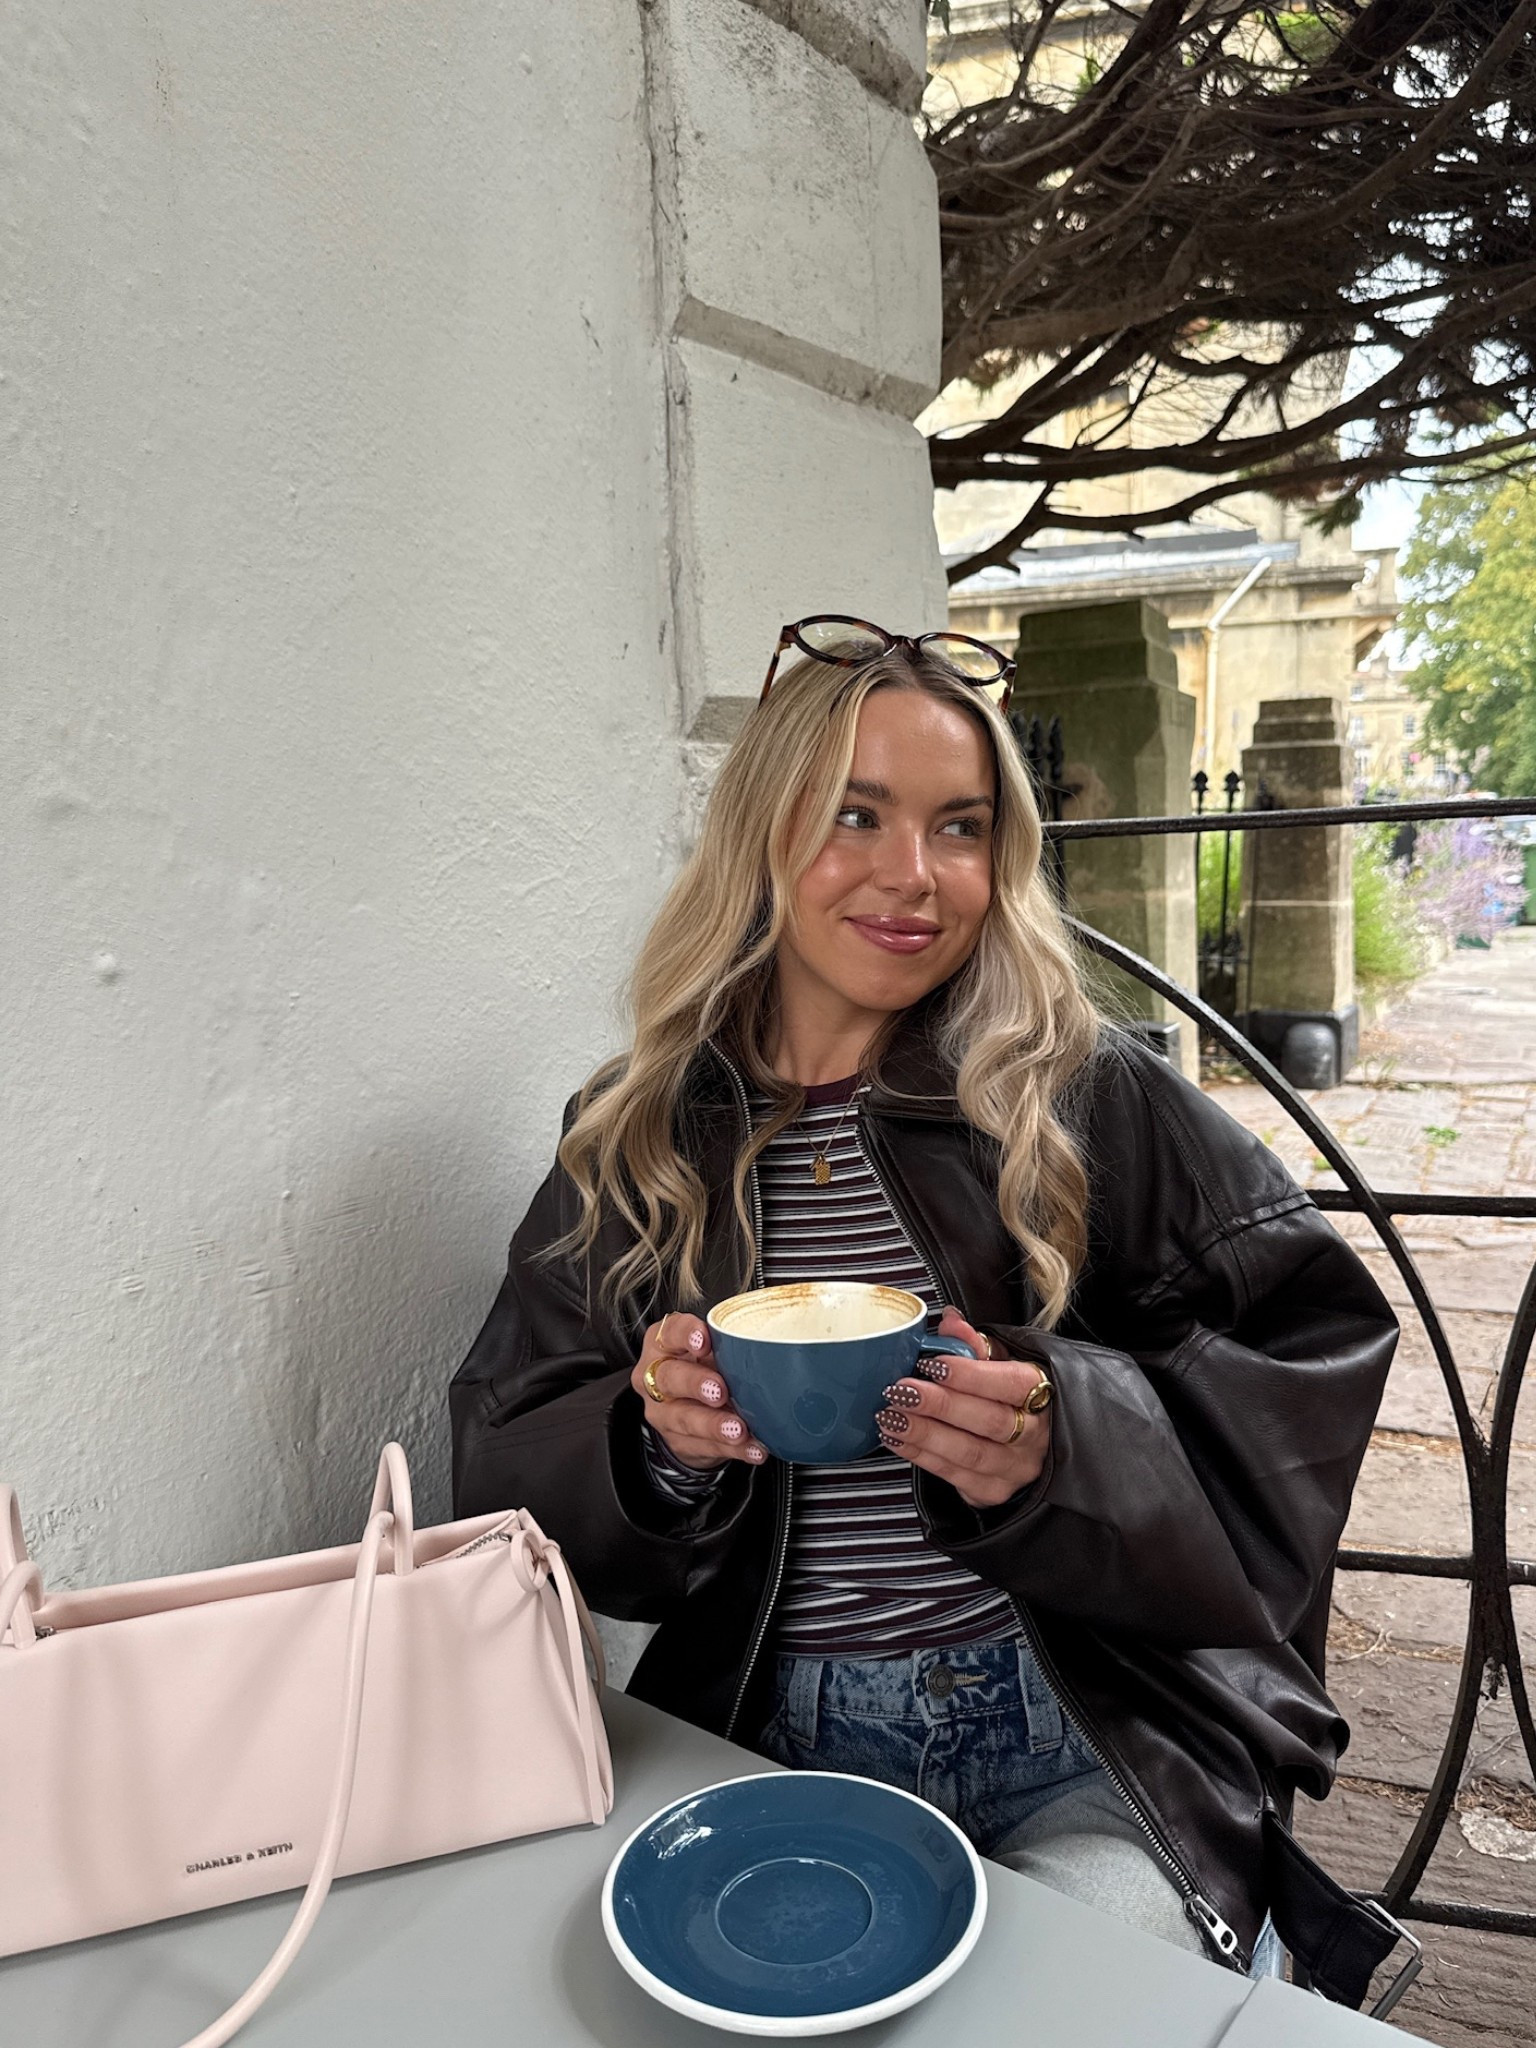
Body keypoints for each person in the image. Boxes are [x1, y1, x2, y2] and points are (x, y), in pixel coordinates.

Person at [449, 617, 1397, 1978]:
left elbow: (1312, 1342)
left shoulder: (1076, 1090)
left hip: (1072, 1722)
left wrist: (1068, 1436)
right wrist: (650, 1445)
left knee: (1093, 1998)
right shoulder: (644, 1130)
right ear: (760, 837)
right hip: (761, 1728)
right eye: (857, 815)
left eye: (960, 827)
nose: (915, 878)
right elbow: (504, 1444)